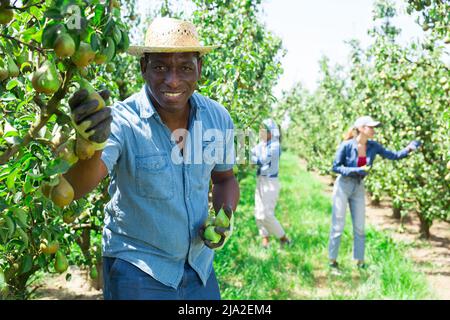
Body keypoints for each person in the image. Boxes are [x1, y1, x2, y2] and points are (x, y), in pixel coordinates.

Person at [63, 17, 240, 300]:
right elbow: (75, 188)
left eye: (185, 67)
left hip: (199, 268)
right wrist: (92, 142)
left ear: (199, 69)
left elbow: (225, 179)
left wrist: (225, 215)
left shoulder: (217, 118)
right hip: (138, 270)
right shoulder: (122, 121)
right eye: (160, 67)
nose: (172, 80)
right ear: (143, 67)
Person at [328, 115, 421, 270]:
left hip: (358, 186)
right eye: (370, 127)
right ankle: (332, 261)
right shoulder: (346, 146)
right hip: (343, 185)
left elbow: (394, 155)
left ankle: (359, 261)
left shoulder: (373, 146)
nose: (373, 130)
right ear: (361, 128)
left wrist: (409, 149)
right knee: (338, 225)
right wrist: (356, 170)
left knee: (359, 226)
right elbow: (335, 167)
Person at [251, 119, 290, 249]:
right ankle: (265, 240)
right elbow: (253, 152)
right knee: (258, 212)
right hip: (261, 180)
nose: (260, 132)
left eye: (264, 130)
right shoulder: (262, 144)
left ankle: (283, 237)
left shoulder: (275, 146)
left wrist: (249, 155)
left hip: (270, 182)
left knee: (267, 214)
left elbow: (261, 160)